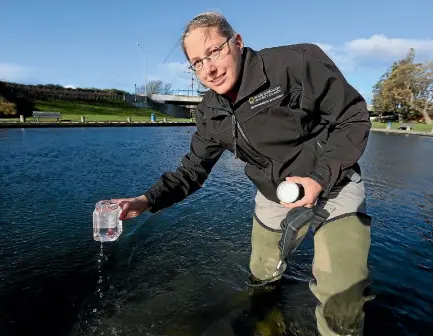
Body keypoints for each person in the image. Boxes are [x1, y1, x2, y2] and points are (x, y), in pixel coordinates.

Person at [111, 11, 373, 336]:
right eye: (197, 62)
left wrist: (318, 178)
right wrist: (146, 200)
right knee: (262, 274)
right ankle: (267, 320)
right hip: (273, 193)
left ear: (237, 42)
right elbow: (193, 170)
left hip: (335, 183)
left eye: (214, 51)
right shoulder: (209, 111)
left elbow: (353, 118)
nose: (209, 68)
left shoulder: (294, 64)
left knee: (342, 294)